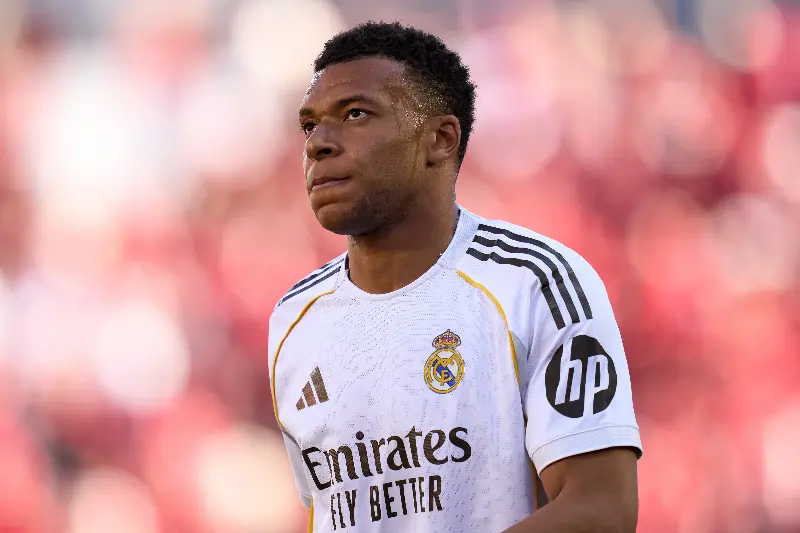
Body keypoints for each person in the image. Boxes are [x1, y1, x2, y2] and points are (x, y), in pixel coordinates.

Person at [268, 21, 641, 533]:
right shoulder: (293, 321)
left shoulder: (536, 285)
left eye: (355, 114)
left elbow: (601, 510)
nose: (319, 144)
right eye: (310, 125)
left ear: (440, 139)